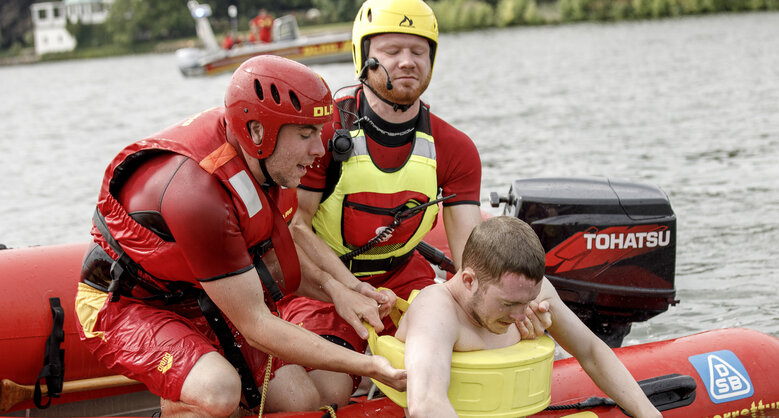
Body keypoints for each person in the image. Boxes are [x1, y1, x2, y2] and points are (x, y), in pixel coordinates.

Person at [73, 55, 406, 417]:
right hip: (126, 305)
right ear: (258, 132)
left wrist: (343, 290)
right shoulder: (198, 196)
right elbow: (257, 327)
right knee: (218, 390)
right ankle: (180, 404)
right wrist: (369, 367)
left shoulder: (268, 164)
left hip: (201, 296)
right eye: (307, 135)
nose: (319, 150)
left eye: (319, 133)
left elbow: (278, 248)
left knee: (300, 402)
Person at [277, 0, 535, 407]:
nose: (408, 62)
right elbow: (295, 226)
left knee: (482, 346)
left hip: (402, 277)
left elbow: (473, 252)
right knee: (325, 394)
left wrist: (510, 308)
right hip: (321, 284)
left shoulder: (455, 148)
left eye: (419, 52)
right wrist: (347, 289)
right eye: (392, 51)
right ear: (364, 57)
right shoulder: (322, 135)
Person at [394, 216, 663, 418]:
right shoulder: (436, 311)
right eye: (509, 304)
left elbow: (591, 351)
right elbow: (426, 402)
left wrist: (649, 414)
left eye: (527, 301)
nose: (521, 315)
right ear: (468, 281)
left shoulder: (529, 295)